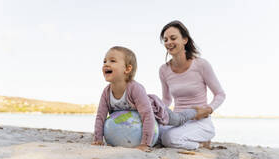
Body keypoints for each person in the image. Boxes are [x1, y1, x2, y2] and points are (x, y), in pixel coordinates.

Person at [92, 46, 207, 151]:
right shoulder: (106, 93)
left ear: (127, 69)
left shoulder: (135, 89)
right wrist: (98, 139)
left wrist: (145, 144)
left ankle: (195, 111)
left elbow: (147, 116)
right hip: (138, 118)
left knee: (178, 120)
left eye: (112, 61)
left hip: (157, 111)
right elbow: (100, 117)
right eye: (104, 61)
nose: (106, 64)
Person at [159, 20, 226, 150]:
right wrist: (157, 112)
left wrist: (208, 109)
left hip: (199, 122)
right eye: (165, 40)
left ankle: (201, 144)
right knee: (153, 134)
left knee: (169, 139)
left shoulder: (201, 65)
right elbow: (167, 99)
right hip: (176, 120)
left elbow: (220, 94)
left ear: (185, 40)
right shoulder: (164, 70)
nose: (168, 43)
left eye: (173, 38)